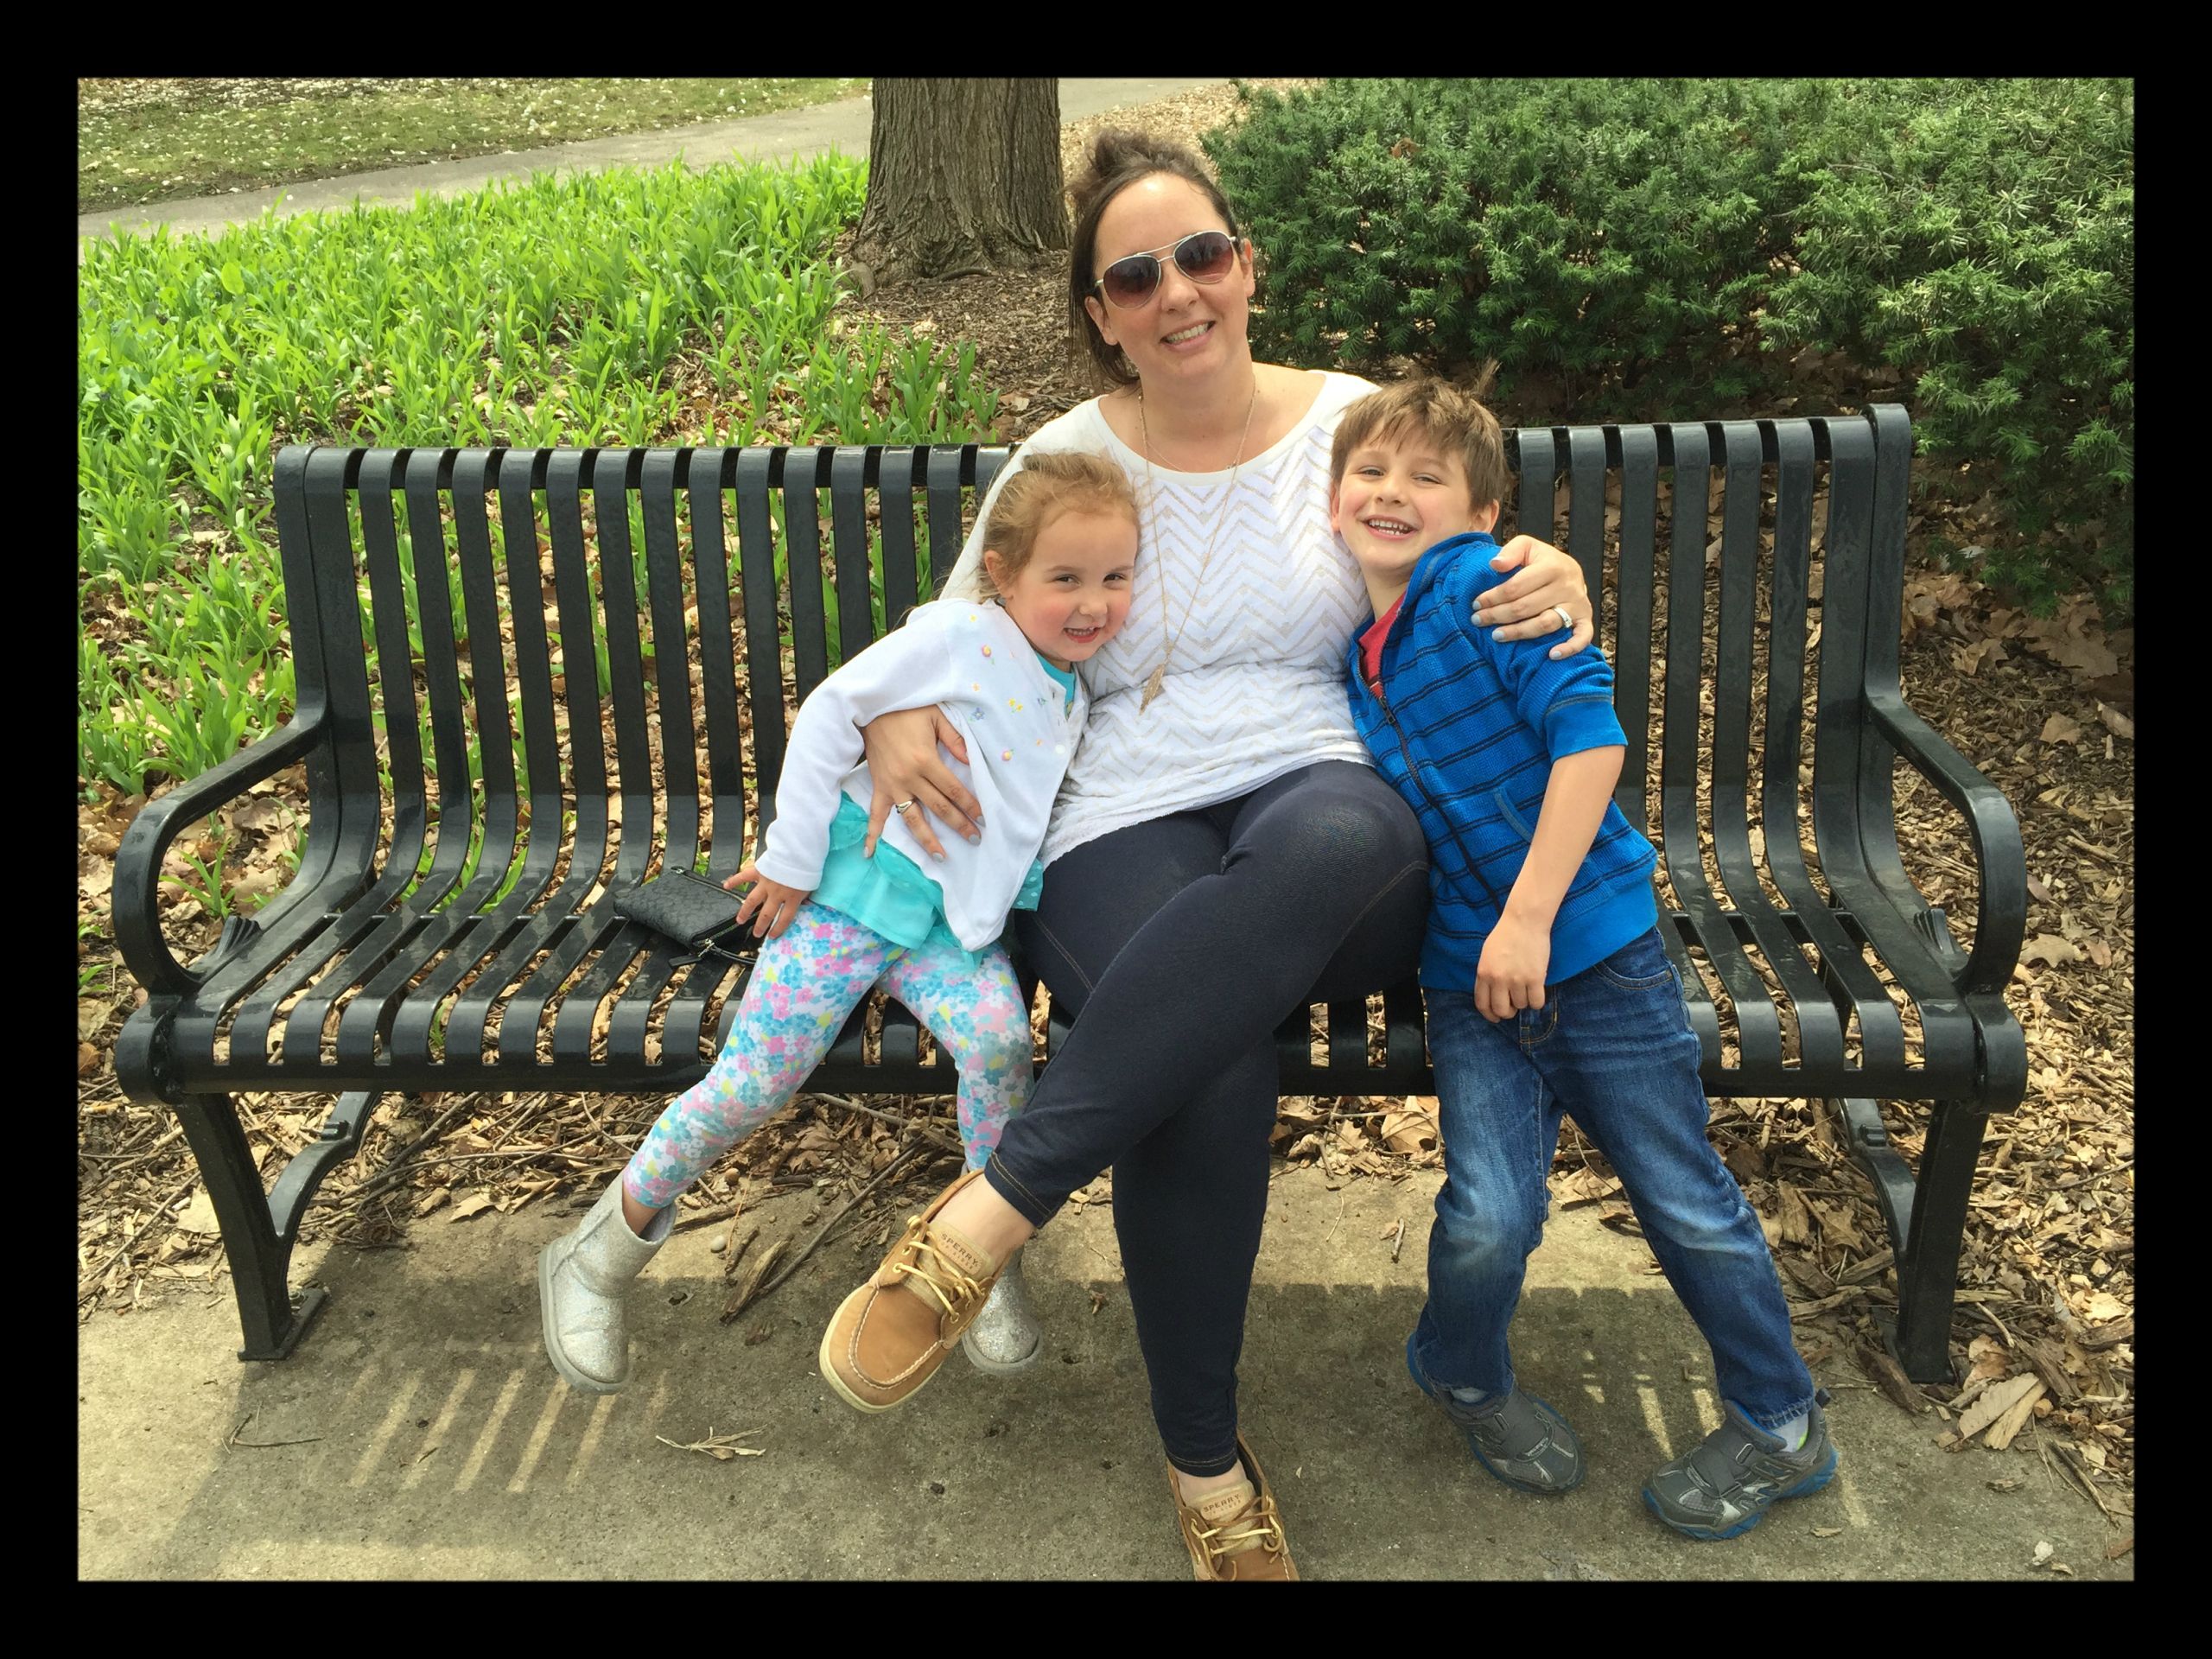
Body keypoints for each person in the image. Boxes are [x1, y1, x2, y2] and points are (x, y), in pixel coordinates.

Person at [813, 130, 1599, 1581]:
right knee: (1204, 1058)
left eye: (1201, 256)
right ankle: (1204, 1462)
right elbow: (961, 629)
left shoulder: (1349, 420)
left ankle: (992, 1210)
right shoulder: (1067, 456)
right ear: (1100, 312)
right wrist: (890, 718)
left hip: (1329, 814)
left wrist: (1549, 570)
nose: (1177, 291)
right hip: (1119, 814)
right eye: (1136, 276)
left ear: (1246, 266)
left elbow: (1467, 541)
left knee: (1343, 834)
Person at [1328, 375, 1838, 1540]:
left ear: (1481, 512)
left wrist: (1528, 918)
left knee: (1683, 1200)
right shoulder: (1357, 656)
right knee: (1488, 1216)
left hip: (1596, 957)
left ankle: (1782, 1423)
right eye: (1370, 471)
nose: (1392, 492)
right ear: (1333, 500)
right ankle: (1460, 1370)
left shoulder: (1490, 588)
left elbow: (1590, 741)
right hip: (1470, 983)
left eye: (1425, 476)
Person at [537, 452, 1140, 1395]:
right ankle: (600, 1250)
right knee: (754, 1084)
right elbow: (831, 710)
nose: (1092, 603)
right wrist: (789, 856)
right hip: (848, 900)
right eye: (1065, 578)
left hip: (947, 929)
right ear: (1002, 573)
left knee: (997, 1047)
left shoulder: (1076, 687)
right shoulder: (962, 634)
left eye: (1114, 577)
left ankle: (976, 1260)